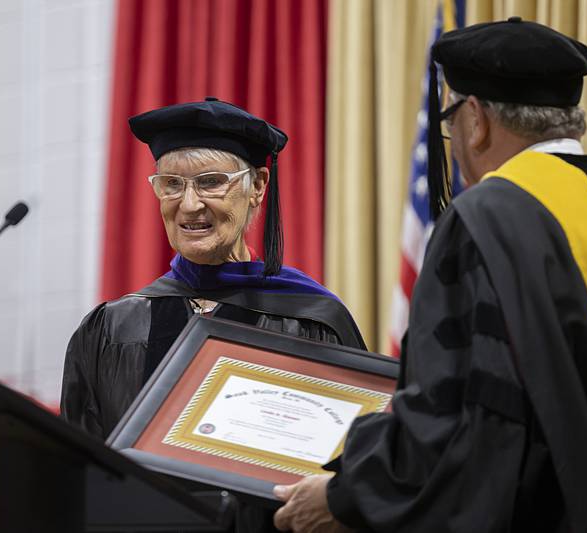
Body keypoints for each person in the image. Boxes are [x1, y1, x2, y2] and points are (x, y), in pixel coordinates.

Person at [273, 18, 587, 533]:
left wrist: (347, 495)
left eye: (452, 118)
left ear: (475, 119)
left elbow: (458, 421)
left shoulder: (489, 219)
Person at [61, 97, 365, 531]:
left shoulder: (314, 321)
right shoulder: (111, 327)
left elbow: (344, 480)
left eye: (211, 182)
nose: (188, 205)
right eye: (171, 184)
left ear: (258, 185)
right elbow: (77, 470)